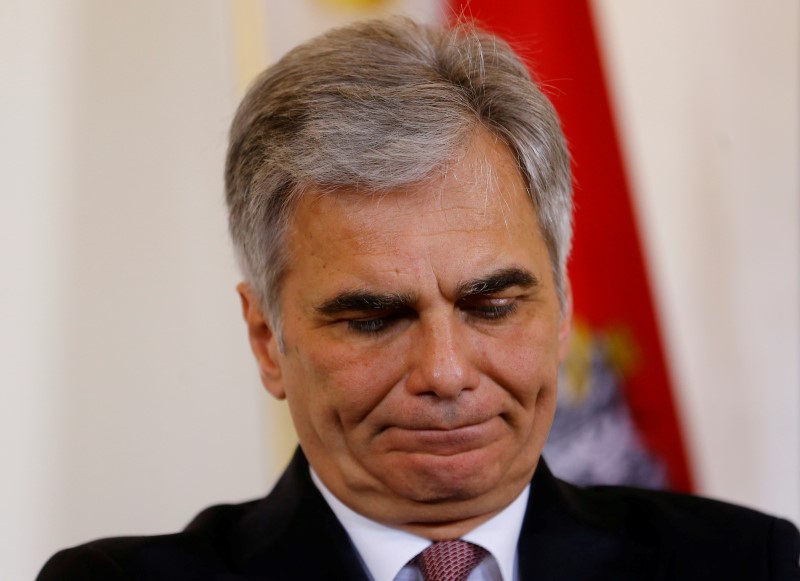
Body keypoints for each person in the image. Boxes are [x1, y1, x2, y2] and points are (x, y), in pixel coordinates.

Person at [38, 17, 800, 581]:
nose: (446, 372)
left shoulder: (749, 565)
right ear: (267, 339)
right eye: (373, 318)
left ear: (565, 307)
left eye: (492, 305)